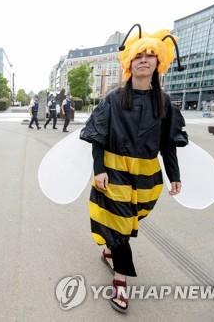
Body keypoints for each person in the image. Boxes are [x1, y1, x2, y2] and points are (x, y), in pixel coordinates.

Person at [80, 26, 188, 313]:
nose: (144, 59)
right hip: (113, 172)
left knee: (125, 226)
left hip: (146, 177)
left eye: (151, 55)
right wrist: (99, 169)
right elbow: (97, 138)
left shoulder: (164, 103)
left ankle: (109, 250)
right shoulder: (113, 100)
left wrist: (174, 175)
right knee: (120, 227)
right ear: (129, 62)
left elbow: (169, 144)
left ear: (158, 63)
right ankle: (120, 283)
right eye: (139, 55)